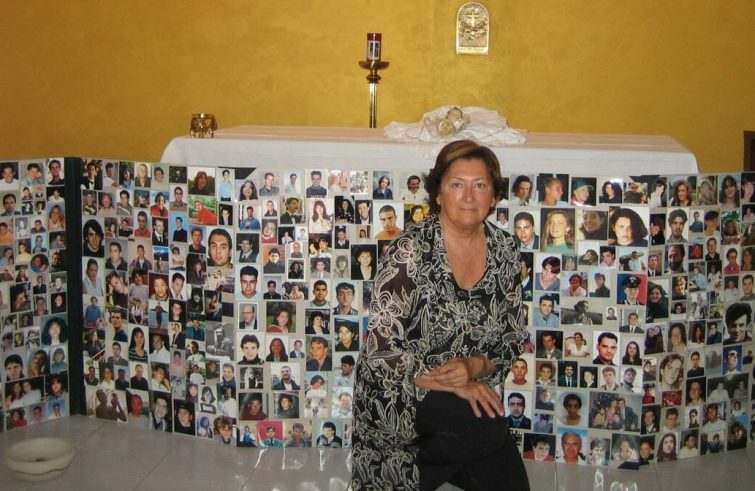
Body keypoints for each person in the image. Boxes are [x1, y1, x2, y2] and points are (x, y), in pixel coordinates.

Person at [352, 141, 528, 490]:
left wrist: (473, 368)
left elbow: (511, 339)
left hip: (467, 389)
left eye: (480, 185)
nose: (468, 196)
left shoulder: (506, 250)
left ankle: (417, 468)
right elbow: (381, 349)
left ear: (494, 196)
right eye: (456, 184)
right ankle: (408, 464)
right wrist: (454, 382)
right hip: (402, 389)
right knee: (485, 428)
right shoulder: (409, 250)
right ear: (437, 194)